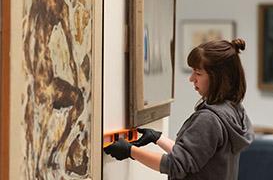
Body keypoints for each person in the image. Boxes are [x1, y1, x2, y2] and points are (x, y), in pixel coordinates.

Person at [104, 38, 254, 180]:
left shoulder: (209, 119)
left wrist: (130, 151)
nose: (191, 78)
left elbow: (175, 165)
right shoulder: (234, 110)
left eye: (198, 73)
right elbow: (193, 158)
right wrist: (158, 138)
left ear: (218, 78)